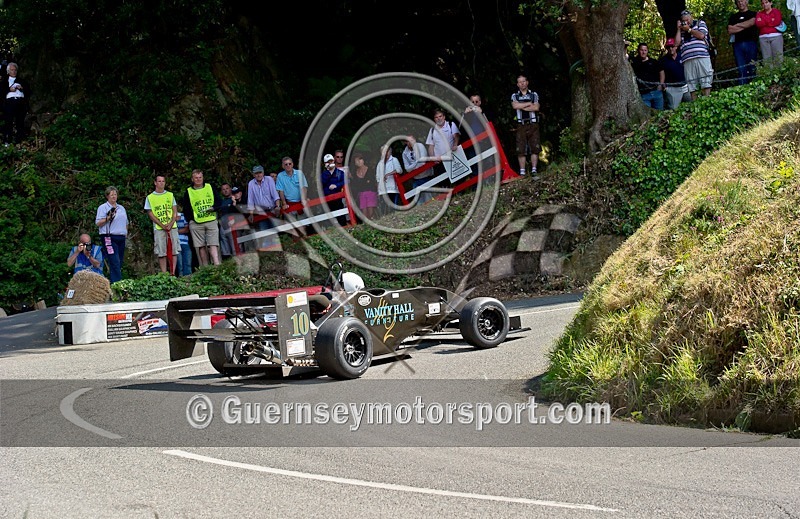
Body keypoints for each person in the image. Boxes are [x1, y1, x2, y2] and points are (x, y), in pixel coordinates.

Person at [181, 168, 222, 267]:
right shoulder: (189, 191)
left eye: (200, 177)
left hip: (211, 219)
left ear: (203, 178)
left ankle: (217, 265)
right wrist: (191, 219)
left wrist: (213, 208)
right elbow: (186, 207)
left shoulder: (210, 187)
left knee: (213, 244)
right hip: (196, 222)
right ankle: (205, 267)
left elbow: (219, 201)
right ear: (192, 179)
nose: (198, 179)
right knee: (200, 246)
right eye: (196, 178)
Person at [144, 174, 180, 274]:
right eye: (159, 181)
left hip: (172, 227)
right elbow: (150, 214)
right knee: (161, 251)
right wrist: (161, 225)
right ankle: (164, 273)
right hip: (159, 228)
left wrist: (171, 223)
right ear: (155, 183)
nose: (161, 183)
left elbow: (174, 211)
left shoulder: (170, 195)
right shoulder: (150, 197)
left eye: (163, 181)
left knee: (174, 250)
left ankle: (172, 272)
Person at [675, 10, 714, 100]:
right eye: (684, 20)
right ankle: (695, 104)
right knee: (692, 85)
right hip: (687, 59)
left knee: (706, 82)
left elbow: (701, 35)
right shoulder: (681, 29)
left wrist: (689, 29)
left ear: (691, 17)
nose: (686, 22)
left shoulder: (700, 23)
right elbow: (676, 43)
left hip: (702, 56)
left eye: (688, 19)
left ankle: (707, 101)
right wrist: (678, 29)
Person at [95, 186, 129, 283]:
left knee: (120, 261)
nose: (114, 197)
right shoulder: (103, 208)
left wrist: (125, 232)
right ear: (107, 196)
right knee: (114, 261)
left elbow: (126, 222)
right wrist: (108, 218)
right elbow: (98, 223)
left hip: (121, 237)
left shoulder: (121, 208)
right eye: (111, 195)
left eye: (115, 194)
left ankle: (116, 281)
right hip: (109, 237)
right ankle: (116, 283)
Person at [510, 74, 542, 178]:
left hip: (533, 123)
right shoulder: (515, 95)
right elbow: (515, 106)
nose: (522, 83)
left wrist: (522, 106)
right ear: (517, 84)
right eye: (520, 82)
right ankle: (522, 172)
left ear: (527, 82)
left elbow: (536, 107)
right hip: (521, 124)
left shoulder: (534, 94)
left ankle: (534, 170)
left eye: (524, 81)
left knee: (535, 147)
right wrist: (528, 104)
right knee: (521, 148)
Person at [246, 164, 280, 249]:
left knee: (275, 233)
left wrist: (278, 206)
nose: (258, 175)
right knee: (265, 234)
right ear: (253, 174)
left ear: (263, 173)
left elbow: (275, 194)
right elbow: (250, 200)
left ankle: (278, 253)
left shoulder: (269, 179)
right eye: (256, 173)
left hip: (271, 209)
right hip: (260, 212)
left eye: (260, 172)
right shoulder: (251, 184)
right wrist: (251, 214)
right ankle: (269, 255)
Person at [728, 0, 759, 85]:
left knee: (752, 67)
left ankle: (754, 86)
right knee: (741, 68)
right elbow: (730, 30)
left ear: (746, 1)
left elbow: (753, 22)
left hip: (751, 43)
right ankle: (742, 87)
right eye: (738, 1)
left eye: (742, 1)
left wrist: (737, 26)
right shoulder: (733, 17)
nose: (740, 3)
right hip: (738, 45)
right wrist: (746, 25)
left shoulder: (753, 14)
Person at [276, 156, 310, 235]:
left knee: (303, 226)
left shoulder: (299, 173)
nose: (288, 165)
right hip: (289, 204)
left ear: (292, 164)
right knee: (293, 229)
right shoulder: (280, 176)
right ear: (283, 166)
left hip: (300, 203)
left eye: (289, 164)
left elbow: (304, 187)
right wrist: (284, 203)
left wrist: (304, 199)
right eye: (286, 164)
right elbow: (281, 191)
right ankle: (297, 246)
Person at [425, 107, 460, 179]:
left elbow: (456, 136)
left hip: (452, 157)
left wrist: (455, 144)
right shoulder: (432, 130)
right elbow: (431, 146)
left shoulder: (450, 124)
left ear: (444, 117)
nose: (439, 118)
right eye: (436, 117)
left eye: (440, 116)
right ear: (434, 119)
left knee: (457, 178)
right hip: (439, 161)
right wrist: (433, 158)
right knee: (443, 182)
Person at [630, 43, 665, 110]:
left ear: (647, 51)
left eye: (645, 50)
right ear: (638, 50)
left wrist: (661, 84)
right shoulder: (634, 62)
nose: (643, 52)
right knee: (647, 115)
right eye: (641, 50)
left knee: (660, 113)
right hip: (644, 94)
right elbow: (625, 56)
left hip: (656, 91)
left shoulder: (654, 62)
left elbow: (661, 72)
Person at [660, 39, 690, 110]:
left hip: (686, 86)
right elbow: (662, 73)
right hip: (672, 88)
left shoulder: (682, 56)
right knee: (673, 109)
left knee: (691, 106)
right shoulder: (663, 60)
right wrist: (662, 84)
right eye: (668, 47)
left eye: (672, 46)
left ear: (676, 47)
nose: (671, 49)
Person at [3, 62, 28, 144]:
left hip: (20, 101)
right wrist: (9, 89)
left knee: (20, 122)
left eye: (15, 70)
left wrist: (21, 88)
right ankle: (7, 141)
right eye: (12, 70)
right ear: (8, 71)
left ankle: (19, 141)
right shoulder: (4, 81)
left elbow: (28, 91)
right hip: (10, 102)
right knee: (8, 121)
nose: (13, 72)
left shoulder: (21, 80)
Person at [402, 135, 433, 204]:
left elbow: (422, 162)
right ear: (406, 142)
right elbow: (407, 168)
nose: (410, 143)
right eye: (408, 141)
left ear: (415, 140)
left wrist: (412, 167)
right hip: (416, 179)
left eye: (412, 140)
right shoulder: (404, 153)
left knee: (429, 200)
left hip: (425, 176)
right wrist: (416, 163)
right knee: (419, 202)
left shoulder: (420, 146)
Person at [348, 152, 377, 221]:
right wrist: (352, 178)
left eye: (360, 159)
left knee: (371, 213)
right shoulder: (355, 172)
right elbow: (356, 185)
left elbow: (371, 182)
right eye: (357, 160)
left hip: (370, 192)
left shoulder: (370, 169)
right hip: (361, 194)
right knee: (364, 215)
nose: (359, 161)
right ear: (355, 163)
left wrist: (362, 182)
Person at [755, 0, 784, 66]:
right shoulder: (759, 13)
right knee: (767, 60)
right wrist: (771, 20)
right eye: (763, 3)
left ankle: (779, 75)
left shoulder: (776, 11)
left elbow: (777, 22)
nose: (765, 4)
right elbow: (758, 24)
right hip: (763, 37)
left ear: (771, 3)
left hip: (776, 36)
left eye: (766, 2)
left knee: (778, 58)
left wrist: (764, 21)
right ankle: (769, 75)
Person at [321, 153, 347, 226]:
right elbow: (321, 184)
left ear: (333, 161)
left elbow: (346, 181)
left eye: (331, 161)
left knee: (341, 218)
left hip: (338, 199)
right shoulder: (323, 174)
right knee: (330, 221)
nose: (330, 163)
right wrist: (328, 172)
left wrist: (336, 185)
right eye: (328, 162)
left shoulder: (340, 172)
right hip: (327, 200)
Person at [376, 144, 402, 216]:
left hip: (392, 189)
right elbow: (378, 178)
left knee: (393, 208)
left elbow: (399, 170)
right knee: (384, 210)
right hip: (382, 191)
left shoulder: (394, 160)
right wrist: (378, 191)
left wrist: (388, 174)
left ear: (390, 152)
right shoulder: (380, 163)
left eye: (387, 151)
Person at [175, 210, 193, 276]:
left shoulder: (182, 216)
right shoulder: (169, 217)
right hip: (175, 243)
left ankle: (188, 276)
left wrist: (175, 232)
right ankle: (181, 277)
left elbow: (187, 229)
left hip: (185, 242)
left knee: (188, 260)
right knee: (179, 263)